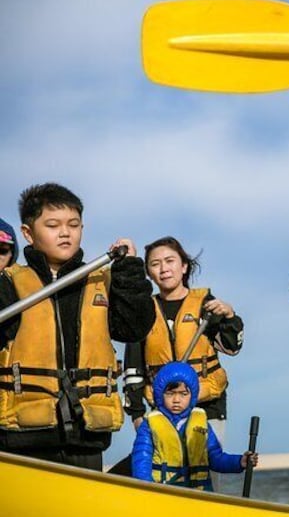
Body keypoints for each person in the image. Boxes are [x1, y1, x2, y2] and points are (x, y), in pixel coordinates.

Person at [0, 183, 154, 470]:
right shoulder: (9, 282)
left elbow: (134, 328)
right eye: (52, 225)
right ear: (28, 233)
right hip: (23, 435)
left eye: (73, 224)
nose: (65, 232)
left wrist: (130, 270)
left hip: (87, 434)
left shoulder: (102, 280)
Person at [121, 236, 243, 488]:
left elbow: (232, 347)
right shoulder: (144, 310)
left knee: (206, 476)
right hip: (162, 411)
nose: (164, 269)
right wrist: (136, 412)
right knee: (161, 478)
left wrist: (230, 315)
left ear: (184, 266)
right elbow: (133, 366)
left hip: (208, 407)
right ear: (149, 273)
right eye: (155, 264)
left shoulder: (206, 304)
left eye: (170, 261)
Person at [131, 360, 257, 489]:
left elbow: (215, 458)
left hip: (200, 494)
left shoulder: (202, 422)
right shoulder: (149, 425)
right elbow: (141, 461)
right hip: (166, 494)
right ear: (159, 395)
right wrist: (147, 489)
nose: (176, 400)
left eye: (183, 394)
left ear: (193, 395)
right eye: (170, 394)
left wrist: (240, 462)